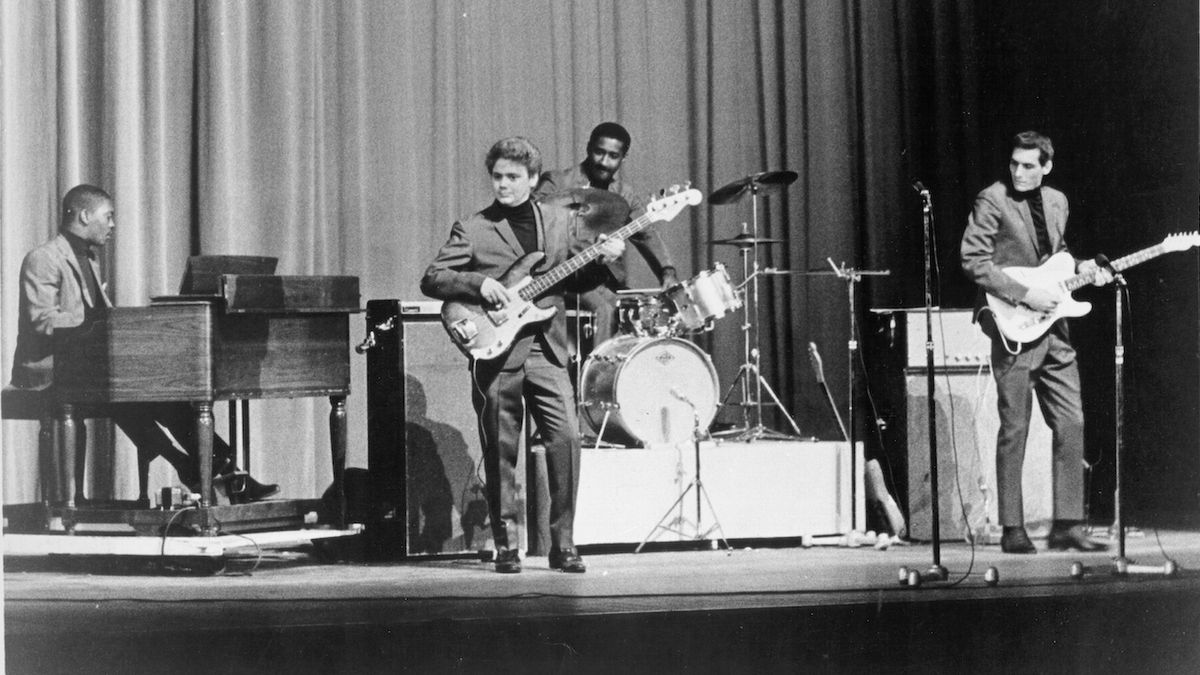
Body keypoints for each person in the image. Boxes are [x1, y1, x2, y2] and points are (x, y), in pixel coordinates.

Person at [420, 137, 624, 573]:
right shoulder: (473, 227)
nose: (503, 185)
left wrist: (604, 259)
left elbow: (578, 276)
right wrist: (479, 285)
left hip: (548, 347)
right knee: (501, 451)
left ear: (533, 179)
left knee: (566, 440)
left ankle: (563, 544)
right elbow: (433, 277)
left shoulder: (557, 220)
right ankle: (506, 545)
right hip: (497, 351)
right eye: (497, 177)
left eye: (513, 177)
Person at [10, 184, 278, 506]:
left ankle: (220, 468)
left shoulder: (89, 260)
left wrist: (114, 324)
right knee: (125, 394)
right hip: (45, 373)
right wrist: (97, 322)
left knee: (165, 395)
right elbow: (42, 321)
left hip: (85, 370)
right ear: (84, 215)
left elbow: (98, 318)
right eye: (108, 217)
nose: (112, 225)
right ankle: (197, 468)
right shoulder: (43, 259)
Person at [960, 131, 1110, 553]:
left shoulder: (1058, 201)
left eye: (1029, 165)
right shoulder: (992, 199)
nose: (1019, 172)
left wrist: (1085, 268)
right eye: (1014, 164)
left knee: (1072, 421)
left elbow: (1056, 255)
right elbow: (973, 260)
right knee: (1015, 427)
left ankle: (1068, 523)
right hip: (1014, 324)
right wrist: (1025, 295)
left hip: (1055, 325)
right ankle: (1013, 529)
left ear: (1047, 166)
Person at [535, 122, 680, 345]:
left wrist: (667, 272)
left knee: (643, 311)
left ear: (624, 157)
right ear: (588, 147)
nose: (603, 162)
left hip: (603, 281)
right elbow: (532, 224)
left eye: (613, 156)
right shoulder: (557, 182)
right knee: (607, 309)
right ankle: (597, 374)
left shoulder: (625, 194)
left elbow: (646, 234)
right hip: (561, 279)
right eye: (599, 152)